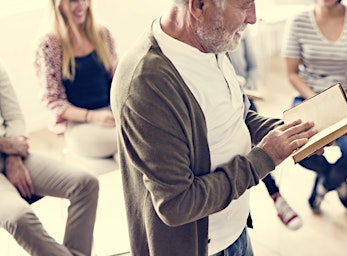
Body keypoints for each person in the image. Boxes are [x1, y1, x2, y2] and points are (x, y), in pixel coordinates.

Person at [110, 0, 322, 255]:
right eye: (245, 5)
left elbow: (237, 116)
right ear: (198, 6)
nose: (253, 18)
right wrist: (265, 157)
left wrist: (291, 133)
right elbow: (177, 204)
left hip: (237, 230)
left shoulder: (212, 41)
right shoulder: (147, 84)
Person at [281, 0, 347, 213]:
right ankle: (336, 179)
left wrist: (346, 100)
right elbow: (292, 73)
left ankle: (325, 183)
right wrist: (318, 102)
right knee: (301, 150)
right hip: (308, 97)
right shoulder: (298, 21)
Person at [0, 60, 99, 256]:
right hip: (8, 146)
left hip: (11, 153)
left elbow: (15, 118)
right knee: (20, 216)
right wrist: (6, 144)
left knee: (85, 184)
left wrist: (13, 156)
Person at [229, 29, 303, 230]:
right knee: (251, 153)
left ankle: (276, 197)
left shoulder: (241, 33)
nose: (251, 18)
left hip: (245, 99)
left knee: (257, 147)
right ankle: (276, 197)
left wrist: (245, 88)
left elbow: (253, 67)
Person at [35, 0, 118, 159]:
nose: (81, 5)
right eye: (73, 0)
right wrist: (92, 116)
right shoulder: (48, 45)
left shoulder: (102, 34)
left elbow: (117, 80)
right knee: (130, 139)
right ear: (59, 4)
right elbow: (53, 101)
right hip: (79, 125)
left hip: (110, 115)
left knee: (126, 153)